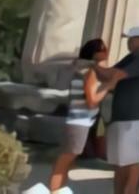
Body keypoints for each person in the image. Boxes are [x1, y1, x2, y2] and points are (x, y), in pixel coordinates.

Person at [96, 27, 139, 194]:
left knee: (130, 161)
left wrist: (109, 80)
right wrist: (93, 66)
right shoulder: (130, 58)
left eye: (132, 38)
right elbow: (107, 74)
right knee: (119, 162)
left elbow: (118, 74)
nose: (129, 42)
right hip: (119, 117)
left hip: (132, 118)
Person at [48, 38, 109, 191]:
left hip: (78, 120)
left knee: (68, 161)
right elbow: (91, 101)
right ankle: (54, 190)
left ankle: (59, 189)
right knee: (65, 160)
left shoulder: (78, 69)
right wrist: (108, 86)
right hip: (79, 121)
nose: (106, 52)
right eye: (103, 49)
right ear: (95, 53)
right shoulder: (90, 72)